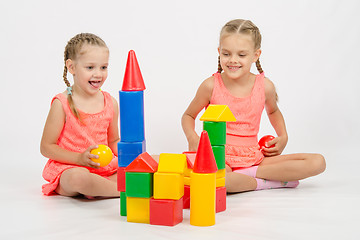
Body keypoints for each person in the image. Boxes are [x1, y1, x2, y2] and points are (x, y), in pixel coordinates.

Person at [182, 19, 326, 193]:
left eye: (241, 55)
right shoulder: (210, 85)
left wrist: (283, 136)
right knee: (215, 180)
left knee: (318, 162)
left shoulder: (265, 86)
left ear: (256, 55)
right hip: (219, 159)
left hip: (254, 158)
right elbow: (188, 116)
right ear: (219, 52)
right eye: (227, 54)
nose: (233, 60)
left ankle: (247, 174)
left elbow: (273, 111)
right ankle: (263, 182)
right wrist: (192, 138)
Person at [40, 33, 119, 198]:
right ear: (72, 67)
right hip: (70, 167)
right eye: (90, 67)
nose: (98, 74)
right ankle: (122, 191)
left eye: (103, 67)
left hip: (104, 169)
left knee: (152, 161)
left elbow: (113, 141)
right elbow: (46, 147)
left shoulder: (110, 102)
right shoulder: (62, 103)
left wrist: (133, 155)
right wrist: (79, 159)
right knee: (78, 178)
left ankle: (102, 187)